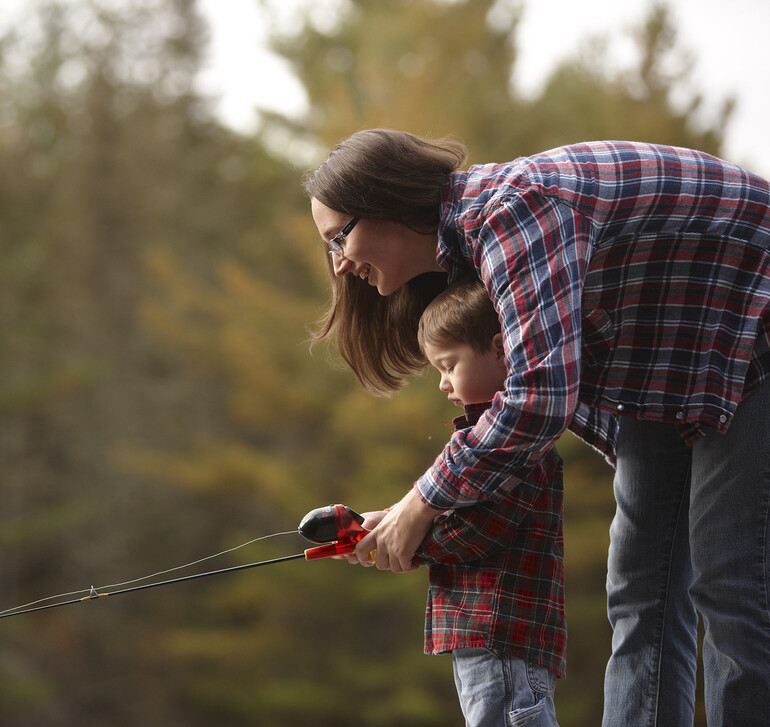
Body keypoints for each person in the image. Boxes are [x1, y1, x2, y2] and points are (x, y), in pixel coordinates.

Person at [304, 129, 770, 727]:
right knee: (638, 589)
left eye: (339, 237)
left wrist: (422, 503)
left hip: (748, 321)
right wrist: (408, 515)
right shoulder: (468, 260)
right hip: (668, 358)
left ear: (389, 202)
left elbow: (538, 399)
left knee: (727, 583)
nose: (340, 263)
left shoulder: (513, 212)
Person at [407, 274, 565, 726]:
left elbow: (480, 531)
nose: (442, 383)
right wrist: (391, 523)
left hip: (502, 635)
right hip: (484, 638)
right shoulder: (474, 446)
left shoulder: (516, 445)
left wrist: (411, 543)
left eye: (448, 365)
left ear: (499, 349)